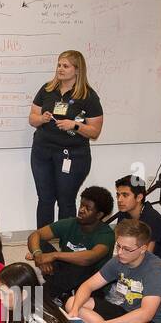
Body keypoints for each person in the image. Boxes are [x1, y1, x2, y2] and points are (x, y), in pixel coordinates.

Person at [67, 219, 161, 323]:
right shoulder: (119, 260)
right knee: (72, 302)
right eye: (118, 246)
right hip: (126, 312)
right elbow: (88, 286)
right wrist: (75, 310)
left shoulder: (154, 269)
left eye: (127, 249)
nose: (120, 252)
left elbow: (146, 314)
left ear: (143, 249)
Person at [29, 50, 104, 228]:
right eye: (59, 65)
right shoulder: (47, 89)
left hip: (72, 156)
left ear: (77, 70)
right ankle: (41, 243)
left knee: (66, 200)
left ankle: (66, 246)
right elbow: (32, 117)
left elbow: (94, 131)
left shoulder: (88, 96)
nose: (60, 69)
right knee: (45, 199)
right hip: (42, 152)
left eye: (65, 66)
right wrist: (42, 118)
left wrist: (75, 125)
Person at [28, 185, 115, 304]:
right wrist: (38, 255)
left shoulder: (106, 234)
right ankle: (61, 293)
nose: (81, 210)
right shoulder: (71, 223)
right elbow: (35, 235)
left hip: (90, 282)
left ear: (99, 215)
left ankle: (50, 294)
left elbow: (89, 258)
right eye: (81, 205)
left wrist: (54, 255)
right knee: (41, 244)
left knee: (80, 264)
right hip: (65, 272)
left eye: (87, 208)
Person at [112, 174, 161, 265]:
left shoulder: (152, 218)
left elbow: (145, 256)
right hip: (136, 261)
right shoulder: (123, 214)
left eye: (125, 195)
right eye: (118, 195)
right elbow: (119, 245)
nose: (119, 199)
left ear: (139, 197)